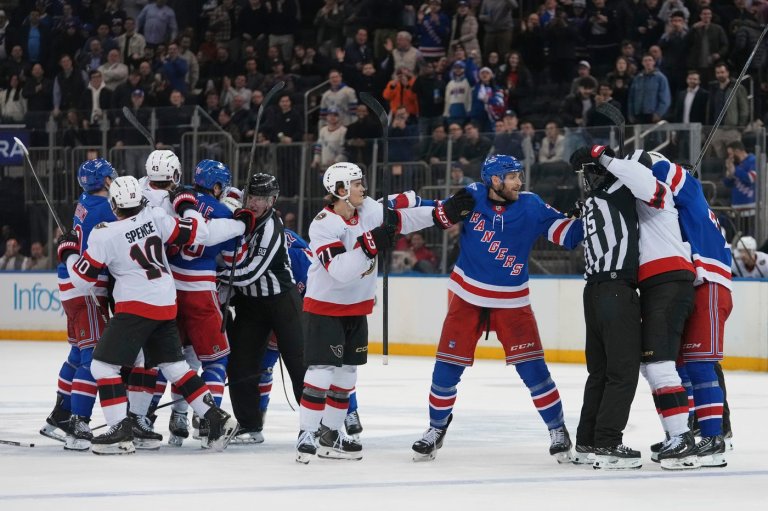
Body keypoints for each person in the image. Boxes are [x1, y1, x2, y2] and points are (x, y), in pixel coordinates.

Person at [411, 155, 583, 463]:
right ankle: (436, 428)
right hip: (467, 295)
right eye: (513, 176)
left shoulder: (532, 206)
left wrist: (589, 214)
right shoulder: (473, 195)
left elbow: (569, 237)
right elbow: (440, 215)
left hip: (512, 300)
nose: (520, 182)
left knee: (534, 371)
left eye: (519, 176)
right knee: (446, 369)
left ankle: (558, 430)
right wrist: (436, 208)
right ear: (495, 181)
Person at [56, 175, 244, 454]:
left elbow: (83, 280)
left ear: (115, 204)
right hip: (166, 302)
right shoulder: (156, 217)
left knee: (102, 366)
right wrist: (188, 207)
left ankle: (120, 429)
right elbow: (197, 232)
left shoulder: (104, 233)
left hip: (135, 306)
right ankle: (216, 418)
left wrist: (69, 253)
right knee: (174, 366)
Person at [296, 162, 436, 463]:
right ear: (341, 190)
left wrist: (440, 212)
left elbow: (403, 213)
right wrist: (370, 244)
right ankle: (307, 432)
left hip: (356, 308)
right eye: (357, 184)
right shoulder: (323, 224)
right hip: (325, 307)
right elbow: (341, 271)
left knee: (347, 375)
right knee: (322, 372)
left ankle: (330, 434)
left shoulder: (367, 211)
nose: (363, 188)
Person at [586, 145, 700, 470]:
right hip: (658, 284)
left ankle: (682, 440)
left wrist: (603, 155)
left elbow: (637, 175)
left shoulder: (656, 190)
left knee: (660, 364)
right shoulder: (638, 202)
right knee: (651, 366)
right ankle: (676, 435)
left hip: (668, 281)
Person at [646, 153, 733, 468]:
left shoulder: (689, 185)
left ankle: (713, 436)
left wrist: (619, 162)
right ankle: (692, 434)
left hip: (709, 280)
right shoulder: (683, 201)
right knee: (681, 364)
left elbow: (654, 163)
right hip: (693, 282)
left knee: (699, 365)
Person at [567, 148, 642, 470]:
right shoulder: (621, 189)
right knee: (622, 372)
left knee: (599, 372)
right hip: (615, 290)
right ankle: (609, 442)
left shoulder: (588, 203)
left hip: (593, 292)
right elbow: (643, 180)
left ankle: (587, 440)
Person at [218, 173, 307, 443]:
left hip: (282, 302)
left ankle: (317, 424)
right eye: (252, 197)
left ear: (273, 201)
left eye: (262, 198)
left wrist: (213, 276)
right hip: (251, 305)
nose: (255, 203)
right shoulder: (240, 218)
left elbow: (249, 272)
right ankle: (250, 425)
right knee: (240, 364)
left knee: (300, 365)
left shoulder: (272, 228)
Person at [39, 160, 117, 451]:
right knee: (93, 356)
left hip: (69, 283)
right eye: (111, 177)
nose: (114, 180)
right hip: (86, 286)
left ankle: (59, 416)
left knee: (77, 352)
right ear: (104, 182)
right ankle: (77, 425)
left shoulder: (85, 200)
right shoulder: (104, 208)